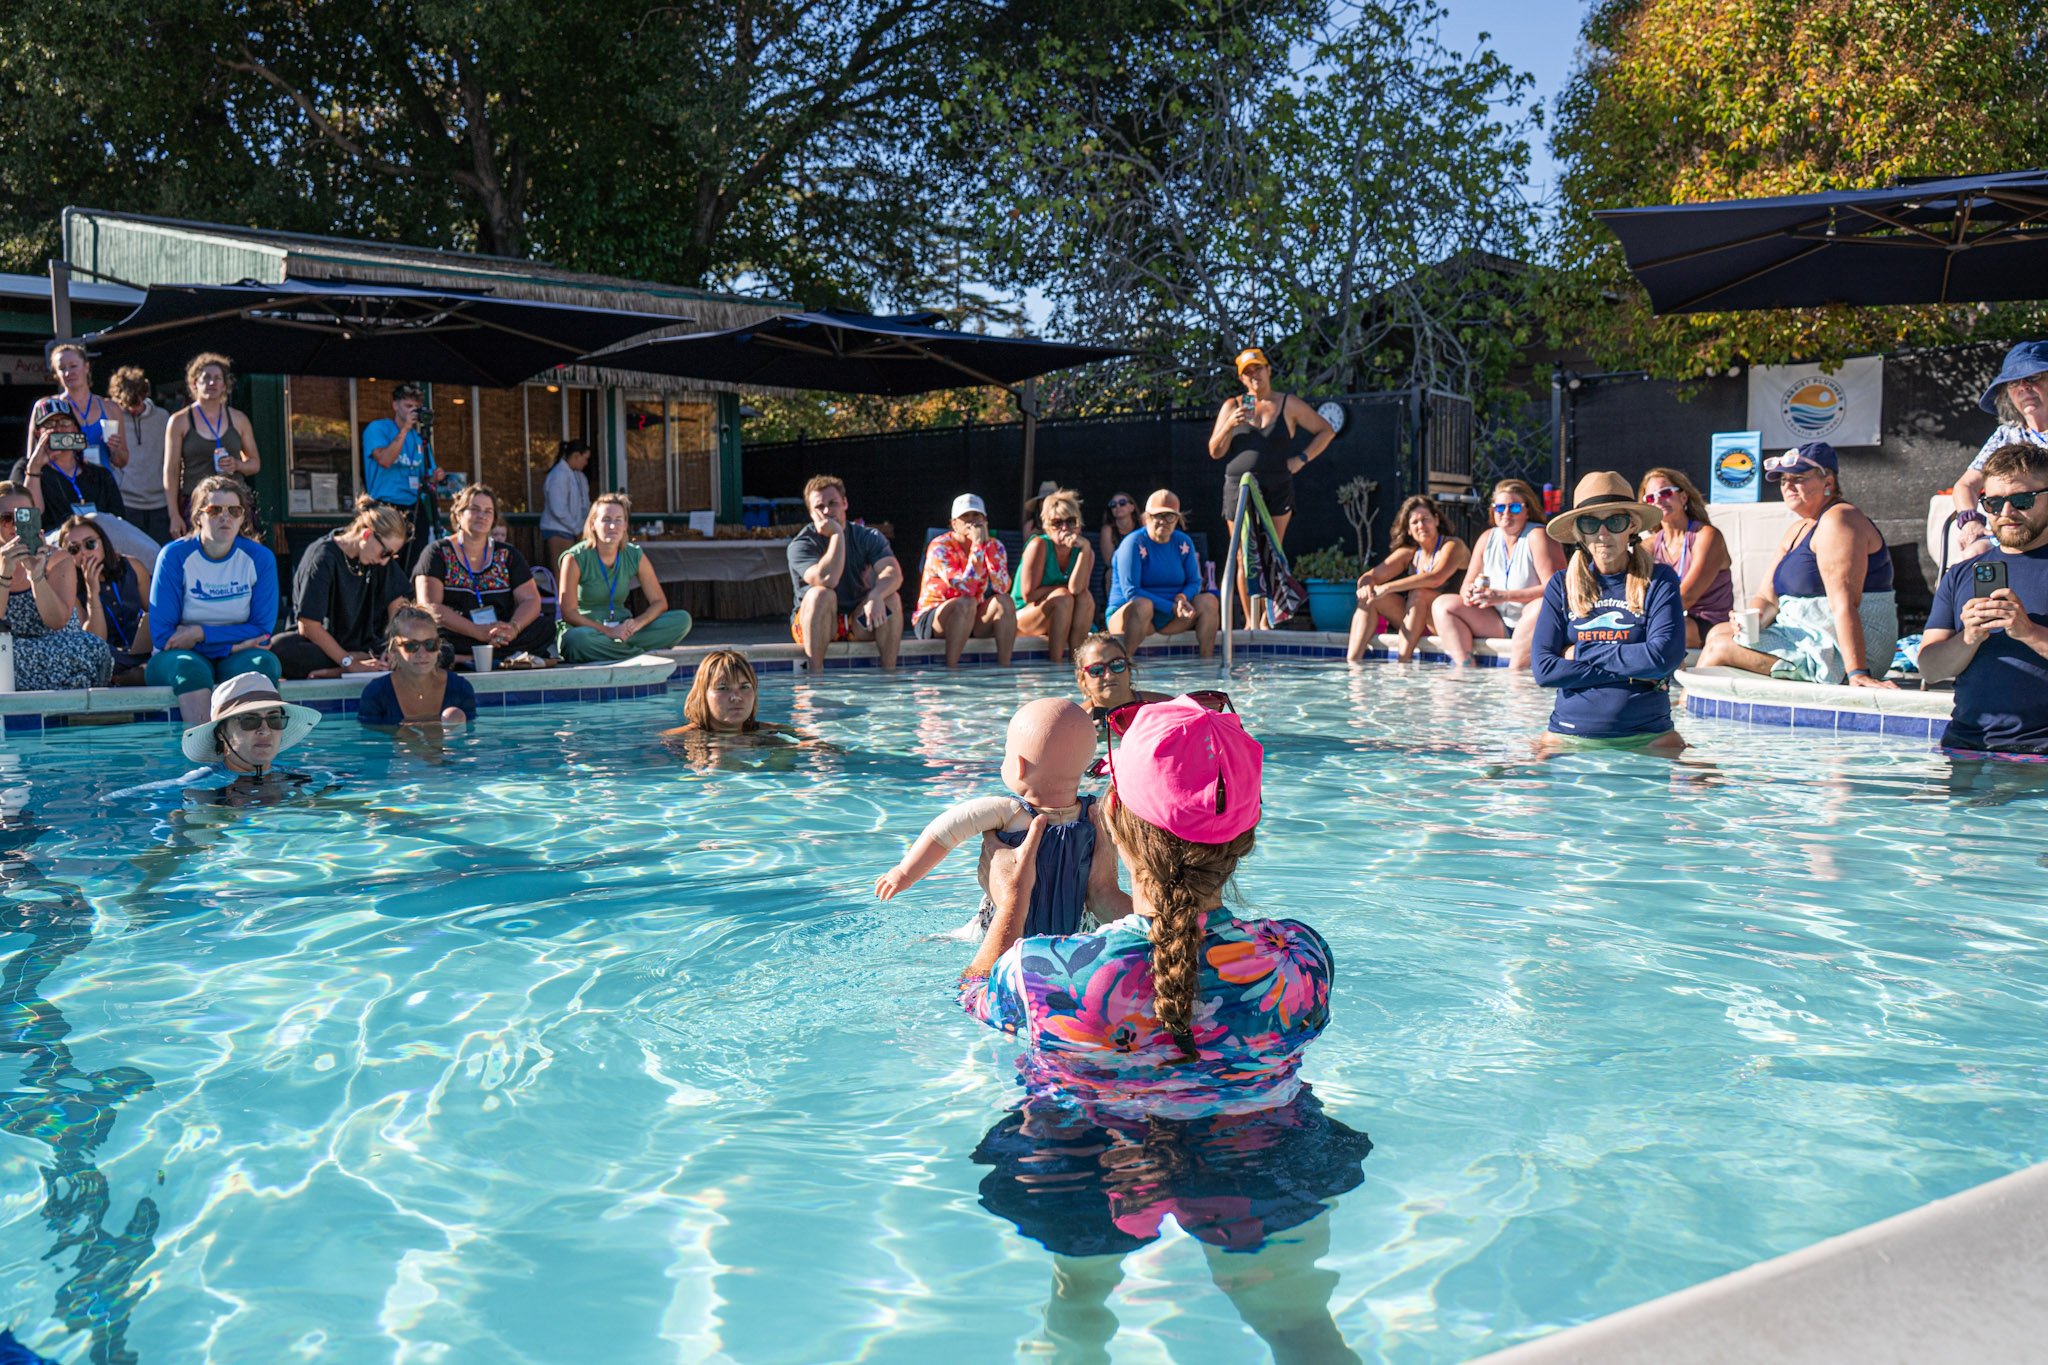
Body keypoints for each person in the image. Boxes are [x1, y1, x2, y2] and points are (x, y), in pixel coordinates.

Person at [958, 697, 1364, 1355]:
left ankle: (1081, 1309)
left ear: (1111, 819)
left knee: (1078, 1302)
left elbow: (974, 992)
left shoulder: (1046, 972)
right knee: (1301, 1328)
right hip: (1262, 1156)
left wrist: (1013, 906)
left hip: (1086, 1161)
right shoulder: (1297, 958)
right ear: (1246, 836)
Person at [875, 698, 1114, 938]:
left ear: (1019, 765)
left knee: (966, 937)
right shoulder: (1096, 815)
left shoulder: (1008, 811)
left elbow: (944, 831)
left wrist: (904, 873)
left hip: (1003, 930)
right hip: (1079, 928)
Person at [1698, 442, 1898, 688]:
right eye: (1783, 480)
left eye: (1798, 478)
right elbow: (1767, 597)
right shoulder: (1797, 529)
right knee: (1718, 632)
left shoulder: (1841, 519)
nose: (1788, 486)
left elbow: (1844, 603)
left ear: (1828, 483)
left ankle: (1685, 718)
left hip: (1842, 650)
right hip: (1807, 637)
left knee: (1720, 647)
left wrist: (1858, 672)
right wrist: (1749, 622)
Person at [1530, 472, 1689, 753]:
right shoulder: (1561, 584)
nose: (1603, 534)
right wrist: (1635, 673)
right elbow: (1544, 671)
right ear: (1579, 532)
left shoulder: (1660, 579)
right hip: (1566, 737)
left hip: (1648, 737)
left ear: (1631, 526)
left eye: (1614, 521)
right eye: (1591, 523)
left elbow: (1663, 658)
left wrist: (1579, 652)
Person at [1919, 443, 2048, 759]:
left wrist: (2029, 633)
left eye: (2022, 500)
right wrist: (1969, 638)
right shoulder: (1962, 574)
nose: (2006, 513)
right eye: (1992, 503)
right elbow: (1930, 669)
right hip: (1966, 747)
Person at [145, 477, 283, 721]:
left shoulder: (260, 558)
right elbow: (163, 636)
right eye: (214, 509)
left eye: (234, 511)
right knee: (190, 668)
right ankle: (203, 753)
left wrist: (200, 633)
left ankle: (253, 755)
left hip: (234, 654)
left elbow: (262, 629)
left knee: (264, 663)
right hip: (179, 657)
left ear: (243, 518)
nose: (225, 517)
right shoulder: (174, 556)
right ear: (198, 516)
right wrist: (231, 644)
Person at [1208, 347, 1334, 613]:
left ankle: (1268, 619)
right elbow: (1215, 451)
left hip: (1276, 484)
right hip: (1239, 487)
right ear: (1242, 379)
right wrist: (1230, 425)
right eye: (1248, 372)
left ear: (1268, 370)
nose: (1254, 375)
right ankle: (1250, 623)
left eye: (1258, 369)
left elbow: (1326, 430)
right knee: (1244, 557)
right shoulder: (1233, 405)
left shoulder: (1288, 403)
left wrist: (1301, 458)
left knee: (1272, 555)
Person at [268, 499, 409, 680]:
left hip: (367, 646)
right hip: (324, 646)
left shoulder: (379, 559)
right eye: (385, 553)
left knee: (433, 650)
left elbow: (397, 605)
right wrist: (350, 663)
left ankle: (345, 669)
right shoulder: (322, 557)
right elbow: (309, 626)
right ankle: (351, 666)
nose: (386, 561)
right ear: (366, 535)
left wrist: (393, 647)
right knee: (281, 649)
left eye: (392, 555)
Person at [1431, 478, 1564, 669]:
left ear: (1528, 510)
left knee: (1541, 605)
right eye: (1500, 508)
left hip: (1533, 622)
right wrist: (1471, 594)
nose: (1506, 513)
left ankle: (1516, 674)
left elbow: (1556, 589)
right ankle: (1465, 670)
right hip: (1497, 621)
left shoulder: (1538, 536)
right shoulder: (1487, 538)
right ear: (1493, 510)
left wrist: (1503, 596)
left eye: (1515, 508)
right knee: (1443, 604)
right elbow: (1466, 586)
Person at [412, 484, 552, 661]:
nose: (482, 516)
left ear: (494, 519)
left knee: (544, 628)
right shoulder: (437, 553)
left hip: (500, 634)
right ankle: (488, 657)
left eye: (488, 511)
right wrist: (477, 631)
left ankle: (465, 658)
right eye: (475, 509)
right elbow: (430, 606)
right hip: (457, 632)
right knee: (431, 638)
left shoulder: (507, 554)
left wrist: (513, 628)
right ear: (459, 514)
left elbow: (531, 600)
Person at [555, 493, 695, 664]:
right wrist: (607, 632)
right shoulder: (575, 557)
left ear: (625, 525)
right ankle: (636, 654)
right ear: (593, 524)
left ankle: (616, 651)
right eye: (606, 519)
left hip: (625, 631)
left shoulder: (633, 554)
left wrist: (637, 623)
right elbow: (568, 613)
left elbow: (659, 602)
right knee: (575, 641)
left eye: (618, 519)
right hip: (588, 631)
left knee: (682, 620)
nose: (612, 525)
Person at [786, 475, 903, 674]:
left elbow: (893, 574)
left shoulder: (868, 536)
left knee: (890, 598)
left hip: (856, 622)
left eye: (833, 504)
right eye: (819, 507)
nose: (827, 511)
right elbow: (827, 580)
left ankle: (889, 678)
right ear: (810, 512)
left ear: (845, 503)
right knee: (821, 594)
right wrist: (837, 535)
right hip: (816, 624)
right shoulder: (801, 544)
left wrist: (876, 595)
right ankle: (815, 677)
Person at [0, 483, 111, 690]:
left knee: (93, 648)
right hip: (6, 652)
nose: (15, 527)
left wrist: (36, 575)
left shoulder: (57, 558)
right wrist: (4, 574)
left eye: (24, 517)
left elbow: (57, 621)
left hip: (56, 646)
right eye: (7, 518)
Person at [1950, 341, 2048, 561]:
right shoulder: (2006, 435)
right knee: (1972, 557)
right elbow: (1965, 485)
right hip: (2016, 530)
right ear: (2007, 395)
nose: (2023, 387)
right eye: (2013, 382)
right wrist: (1971, 520)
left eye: (2033, 378)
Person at [1349, 494, 1468, 663]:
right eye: (1415, 522)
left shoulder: (1453, 545)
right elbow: (1370, 576)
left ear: (1436, 520)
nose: (1421, 525)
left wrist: (1388, 587)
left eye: (1425, 519)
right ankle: (1353, 664)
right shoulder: (1410, 552)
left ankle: (1402, 664)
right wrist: (1365, 587)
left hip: (1449, 623)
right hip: (1416, 624)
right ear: (1408, 530)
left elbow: (1436, 578)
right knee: (1370, 599)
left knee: (1419, 593)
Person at [1107, 490, 1221, 658]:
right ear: (1146, 518)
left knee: (1209, 601)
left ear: (1178, 519)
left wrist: (1182, 598)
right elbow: (1131, 592)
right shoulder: (1132, 543)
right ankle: (1125, 664)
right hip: (1131, 616)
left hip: (1172, 616)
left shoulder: (1183, 542)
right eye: (1157, 516)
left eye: (1170, 516)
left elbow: (1195, 581)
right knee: (1143, 605)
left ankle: (1208, 665)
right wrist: (1171, 607)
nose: (1163, 522)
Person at [162, 353, 260, 535]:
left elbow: (255, 464)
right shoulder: (179, 421)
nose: (212, 383)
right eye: (206, 378)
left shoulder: (239, 419)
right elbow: (171, 471)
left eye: (217, 378)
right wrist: (173, 514)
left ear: (225, 385)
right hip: (197, 503)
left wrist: (237, 464)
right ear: (194, 383)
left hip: (235, 503)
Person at [915, 493, 1016, 668]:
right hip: (934, 617)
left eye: (976, 516)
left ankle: (1005, 668)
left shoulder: (995, 545)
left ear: (985, 521)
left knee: (1005, 602)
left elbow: (1002, 587)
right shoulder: (940, 546)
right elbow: (966, 588)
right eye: (965, 517)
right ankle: (951, 669)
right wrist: (977, 547)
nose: (972, 522)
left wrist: (989, 553)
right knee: (966, 603)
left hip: (971, 614)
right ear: (954, 524)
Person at [1639, 467, 1733, 647]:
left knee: (1665, 628)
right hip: (1664, 617)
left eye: (1665, 493)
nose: (1658, 500)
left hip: (1709, 625)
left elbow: (1687, 596)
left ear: (1683, 497)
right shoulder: (1648, 545)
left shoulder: (1707, 536)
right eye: (1651, 498)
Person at [178, 673, 320, 784]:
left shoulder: (300, 779)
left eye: (274, 719)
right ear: (221, 732)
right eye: (250, 720)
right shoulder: (199, 784)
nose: (265, 730)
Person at [59, 515, 151, 683]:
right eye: (74, 549)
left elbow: (155, 614)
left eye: (90, 544)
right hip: (108, 657)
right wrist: (92, 592)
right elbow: (93, 642)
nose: (84, 552)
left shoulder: (133, 566)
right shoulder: (69, 586)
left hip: (142, 650)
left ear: (103, 542)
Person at [11, 401, 126, 534]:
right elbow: (28, 520)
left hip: (96, 547)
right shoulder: (26, 468)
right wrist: (34, 470)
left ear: (75, 429)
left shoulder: (99, 475)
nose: (58, 429)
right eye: (49, 425)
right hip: (51, 546)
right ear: (38, 433)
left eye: (65, 423)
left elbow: (119, 523)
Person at [358, 601, 476, 728]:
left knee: (454, 716)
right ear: (394, 649)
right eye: (411, 645)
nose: (422, 653)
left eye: (430, 644)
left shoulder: (460, 689)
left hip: (447, 748)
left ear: (439, 646)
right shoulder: (377, 693)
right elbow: (369, 740)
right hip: (399, 748)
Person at [359, 383, 444, 560]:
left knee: (417, 556)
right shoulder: (378, 428)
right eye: (407, 406)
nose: (412, 411)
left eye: (416, 407)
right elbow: (384, 460)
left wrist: (436, 476)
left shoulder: (419, 439)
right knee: (386, 556)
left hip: (413, 504)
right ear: (395, 405)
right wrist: (404, 429)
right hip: (385, 504)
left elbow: (427, 475)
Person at [1011, 487, 1096, 663]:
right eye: (1057, 523)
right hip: (1022, 615)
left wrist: (1085, 550)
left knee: (1085, 599)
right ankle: (1056, 664)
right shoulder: (1039, 545)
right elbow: (1028, 595)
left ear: (1079, 524)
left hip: (1061, 612)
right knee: (1063, 597)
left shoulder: (1085, 550)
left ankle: (1077, 664)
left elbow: (1077, 589)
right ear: (1047, 527)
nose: (1065, 528)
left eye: (1071, 521)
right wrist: (1059, 590)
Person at [104, 367, 173, 543]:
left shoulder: (162, 417)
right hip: (127, 502)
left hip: (160, 502)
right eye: (128, 405)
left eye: (138, 403)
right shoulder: (112, 419)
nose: (134, 409)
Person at [659, 649, 791, 741]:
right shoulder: (676, 739)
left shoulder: (774, 734)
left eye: (744, 687)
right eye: (723, 688)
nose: (736, 697)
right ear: (702, 695)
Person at [27, 343, 120, 470]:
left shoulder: (110, 408)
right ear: (56, 373)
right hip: (61, 483)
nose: (68, 373)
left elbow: (122, 461)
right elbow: (32, 457)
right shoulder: (45, 407)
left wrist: (115, 449)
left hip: (101, 485)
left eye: (73, 366)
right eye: (62, 368)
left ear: (86, 367)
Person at [1072, 632, 1171, 723]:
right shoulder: (1074, 721)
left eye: (1117, 664)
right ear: (1082, 679)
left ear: (1129, 668)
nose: (1109, 675)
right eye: (1097, 669)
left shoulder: (1164, 706)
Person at [539, 438, 593, 568]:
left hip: (575, 530)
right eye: (585, 458)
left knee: (575, 571)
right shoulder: (558, 475)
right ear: (576, 456)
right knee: (562, 571)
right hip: (558, 530)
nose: (586, 463)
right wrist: (577, 529)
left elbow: (585, 504)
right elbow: (558, 509)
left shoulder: (579, 476)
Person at [1097, 491, 1138, 570]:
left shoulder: (1141, 527)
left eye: (1122, 503)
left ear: (1132, 507)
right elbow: (1109, 562)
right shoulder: (1108, 530)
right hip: (1117, 570)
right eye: (1113, 504)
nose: (1118, 506)